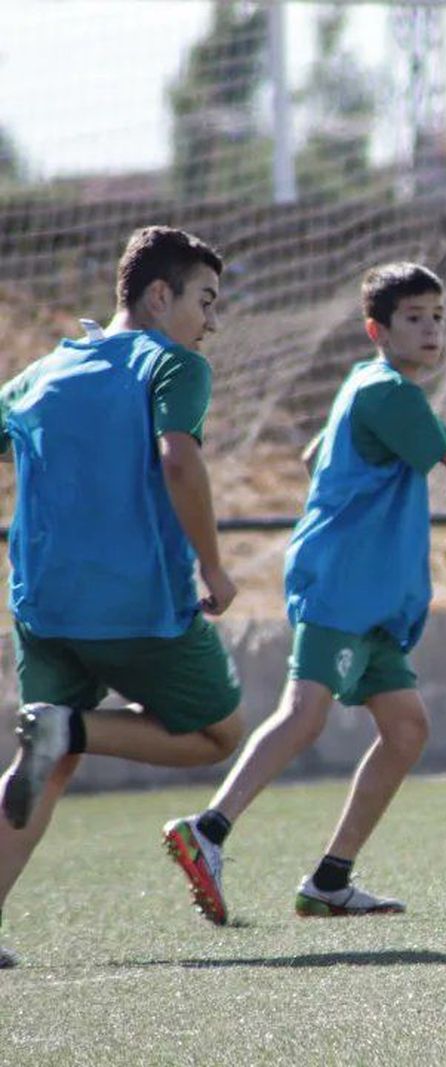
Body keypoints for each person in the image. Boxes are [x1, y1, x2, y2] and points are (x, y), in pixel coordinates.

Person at [163, 262, 446, 924]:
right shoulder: (389, 392)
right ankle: (209, 829)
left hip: (372, 595)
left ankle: (330, 879)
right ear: (377, 329)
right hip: (341, 583)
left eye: (438, 316)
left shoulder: (369, 385)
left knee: (406, 726)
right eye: (414, 318)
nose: (430, 329)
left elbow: (313, 455)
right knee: (304, 714)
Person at [0, 226, 247, 967]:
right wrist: (214, 565)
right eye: (204, 300)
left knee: (45, 759)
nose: (211, 320)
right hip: (138, 606)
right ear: (158, 294)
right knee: (219, 734)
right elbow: (179, 460)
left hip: (43, 606)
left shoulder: (40, 372)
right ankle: (70, 728)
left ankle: (59, 733)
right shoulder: (173, 364)